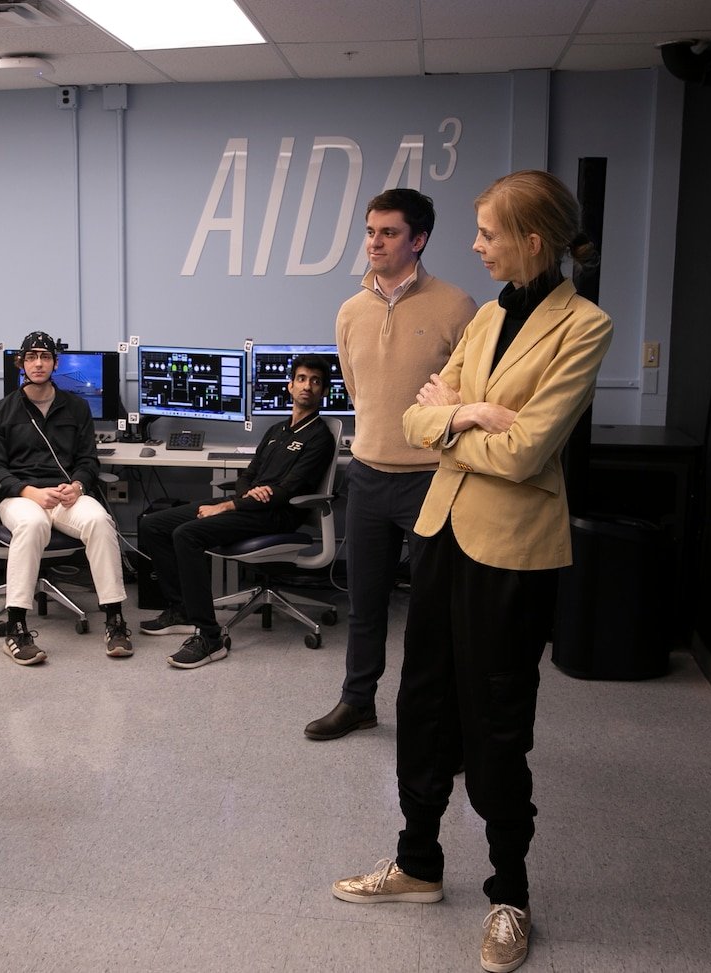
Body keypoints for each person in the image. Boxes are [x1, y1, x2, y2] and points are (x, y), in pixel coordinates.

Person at [332, 170, 612, 973]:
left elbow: (528, 453)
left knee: (495, 721)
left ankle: (509, 895)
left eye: (488, 232)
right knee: (423, 700)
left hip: (514, 550)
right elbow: (417, 419)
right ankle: (418, 862)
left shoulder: (584, 327)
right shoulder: (486, 316)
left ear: (532, 239)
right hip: (444, 529)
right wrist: (467, 413)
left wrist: (453, 420)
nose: (477, 243)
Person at [305, 188, 477, 741]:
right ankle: (357, 702)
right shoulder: (350, 311)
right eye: (371, 232)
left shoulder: (456, 306)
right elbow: (359, 391)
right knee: (365, 605)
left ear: (419, 240)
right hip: (368, 476)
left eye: (389, 233)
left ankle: (432, 720)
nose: (375, 243)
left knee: (433, 614)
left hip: (433, 479)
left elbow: (465, 395)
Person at [137, 354, 337, 669]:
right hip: (251, 506)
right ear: (290, 385)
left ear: (323, 391)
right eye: (301, 379)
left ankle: (211, 638)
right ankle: (181, 610)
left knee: (187, 535)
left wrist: (228, 504)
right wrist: (246, 492)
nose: (307, 386)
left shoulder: (320, 438)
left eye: (315, 381)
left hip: (277, 515)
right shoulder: (276, 430)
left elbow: (286, 491)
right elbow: (250, 473)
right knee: (153, 525)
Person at [0, 330, 131, 665]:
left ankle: (115, 619)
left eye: (45, 357)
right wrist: (30, 491)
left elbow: (89, 460)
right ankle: (16, 628)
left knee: (99, 520)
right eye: (31, 357)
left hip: (66, 495)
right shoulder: (1, 413)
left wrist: (77, 485)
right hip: (21, 496)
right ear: (21, 362)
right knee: (32, 524)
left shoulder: (76, 407)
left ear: (55, 363)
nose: (38, 363)